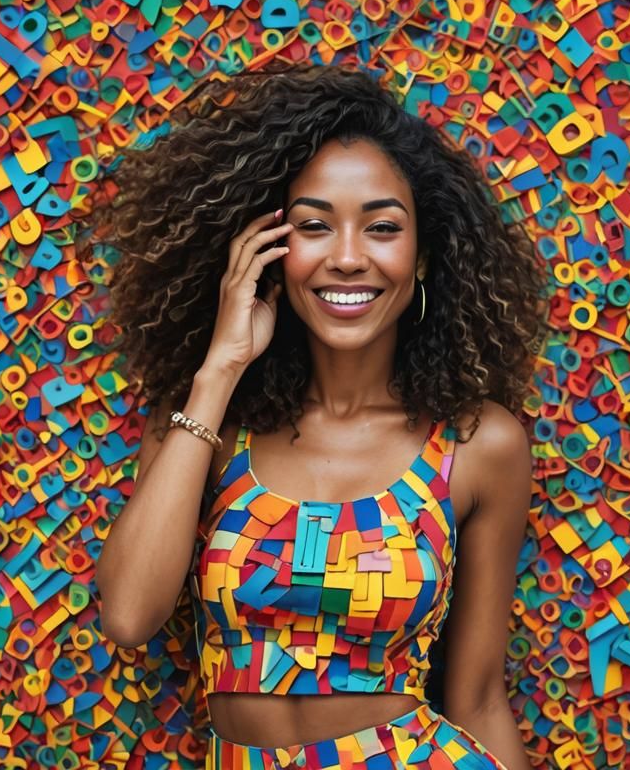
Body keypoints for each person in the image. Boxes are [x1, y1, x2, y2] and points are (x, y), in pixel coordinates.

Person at [91, 64, 550, 770]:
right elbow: (128, 615)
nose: (347, 258)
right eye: (313, 226)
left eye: (382, 228)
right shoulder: (205, 426)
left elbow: (479, 698)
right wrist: (219, 370)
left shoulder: (475, 444)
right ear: (268, 253)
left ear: (423, 258)